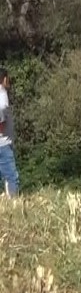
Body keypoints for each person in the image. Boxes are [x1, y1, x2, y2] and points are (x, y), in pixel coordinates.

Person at [0, 67, 17, 198]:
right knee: (11, 176)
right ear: (4, 79)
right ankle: (13, 204)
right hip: (3, 144)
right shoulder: (2, 97)